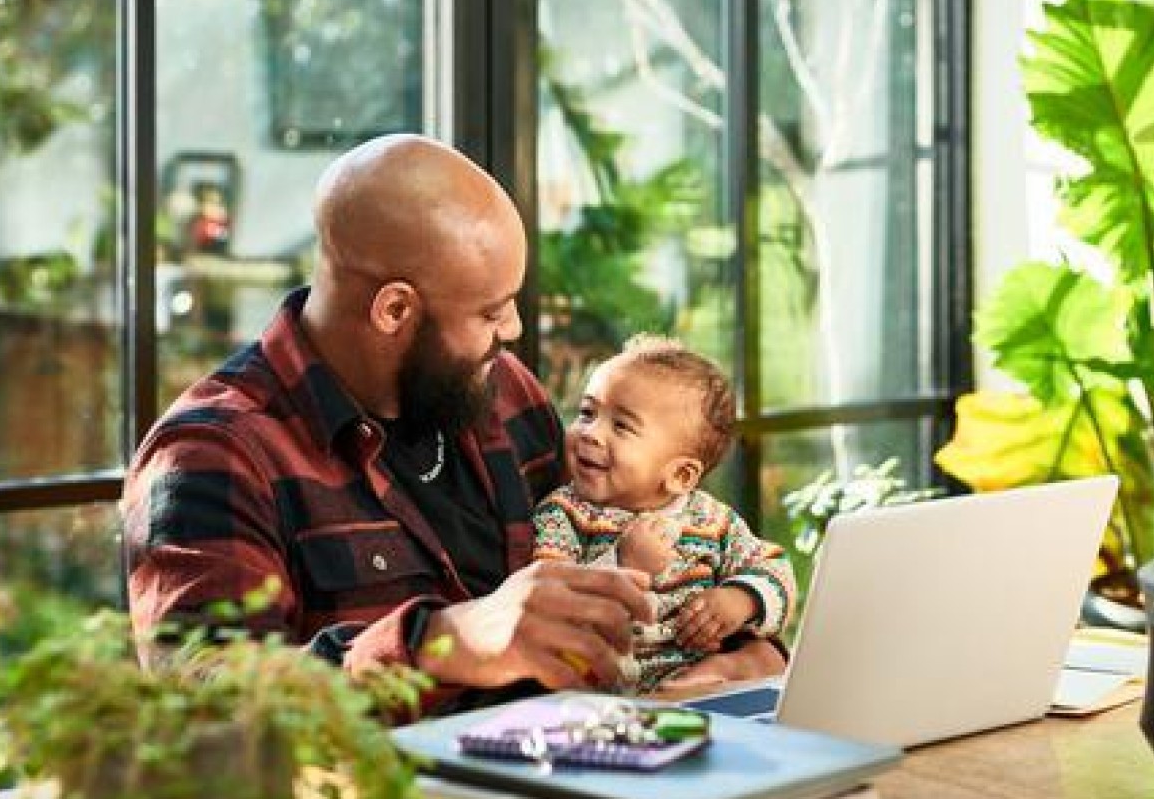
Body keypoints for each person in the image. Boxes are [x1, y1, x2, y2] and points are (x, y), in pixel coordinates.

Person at [124, 136, 784, 716]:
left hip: (575, 791)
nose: (514, 332)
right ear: (395, 309)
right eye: (492, 312)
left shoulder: (502, 396)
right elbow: (207, 709)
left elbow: (610, 580)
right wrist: (443, 643)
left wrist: (738, 659)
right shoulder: (215, 453)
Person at [533, 336, 794, 693]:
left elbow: (775, 571)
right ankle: (672, 696)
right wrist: (623, 562)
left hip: (695, 662)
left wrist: (739, 599)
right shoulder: (564, 513)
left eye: (621, 426)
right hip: (608, 674)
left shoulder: (711, 520)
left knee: (766, 656)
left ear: (680, 476)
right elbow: (551, 604)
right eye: (587, 413)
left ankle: (696, 685)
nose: (590, 434)